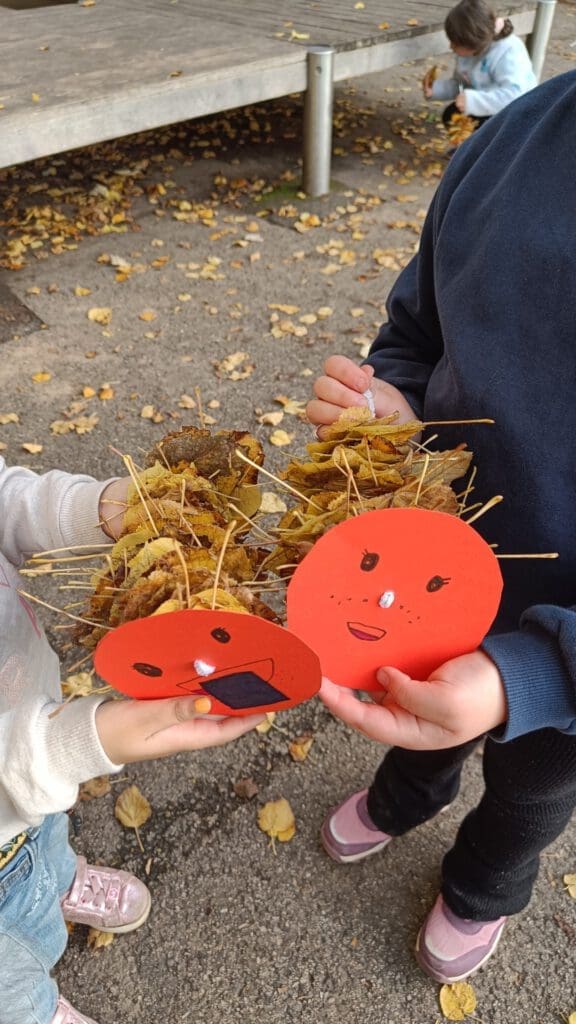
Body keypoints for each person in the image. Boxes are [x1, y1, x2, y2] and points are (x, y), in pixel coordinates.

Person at [306, 69, 576, 984]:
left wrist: (537, 673)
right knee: (416, 713)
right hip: (432, 581)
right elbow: (418, 333)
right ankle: (405, 796)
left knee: (531, 789)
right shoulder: (511, 139)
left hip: (567, 667)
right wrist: (397, 408)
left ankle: (484, 884)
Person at [0, 459, 264, 1024]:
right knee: (10, 988)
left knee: (45, 832)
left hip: (33, 779)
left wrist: (102, 510)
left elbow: (5, 499)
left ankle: (59, 880)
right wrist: (79, 742)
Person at [422, 0, 537, 134]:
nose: (451, 47)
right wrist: (436, 90)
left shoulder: (508, 53)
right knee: (451, 116)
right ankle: (473, 141)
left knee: (487, 129)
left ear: (473, 43)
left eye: (455, 43)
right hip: (486, 102)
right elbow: (462, 84)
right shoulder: (468, 52)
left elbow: (514, 96)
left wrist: (473, 101)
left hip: (517, 113)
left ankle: (490, 145)